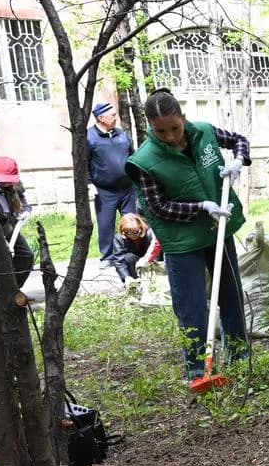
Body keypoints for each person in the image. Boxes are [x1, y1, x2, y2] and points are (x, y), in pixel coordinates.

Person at [125, 88, 250, 382]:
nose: (169, 136)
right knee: (190, 306)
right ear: (150, 127)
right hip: (181, 242)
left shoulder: (204, 133)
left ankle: (239, 356)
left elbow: (238, 140)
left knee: (231, 296)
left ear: (183, 117)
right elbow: (158, 207)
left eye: (174, 128)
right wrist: (201, 207)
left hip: (218, 229)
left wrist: (238, 161)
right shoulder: (144, 160)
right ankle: (198, 369)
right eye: (161, 131)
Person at [87, 102, 138, 265]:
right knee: (106, 224)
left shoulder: (122, 134)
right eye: (112, 115)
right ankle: (108, 257)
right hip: (104, 190)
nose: (116, 118)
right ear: (101, 118)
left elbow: (133, 155)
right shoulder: (89, 138)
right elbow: (83, 163)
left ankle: (131, 253)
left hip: (128, 188)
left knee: (132, 221)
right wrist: (88, 183)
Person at [0, 156, 35, 289]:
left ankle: (12, 291)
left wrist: (26, 211)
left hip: (11, 228)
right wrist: (2, 242)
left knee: (26, 255)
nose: (7, 183)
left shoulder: (15, 184)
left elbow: (24, 202)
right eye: (4, 180)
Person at [110, 213, 162, 283]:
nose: (132, 235)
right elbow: (119, 261)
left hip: (149, 260)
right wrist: (126, 278)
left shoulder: (150, 233)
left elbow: (156, 255)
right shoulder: (119, 239)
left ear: (141, 227)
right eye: (128, 233)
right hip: (133, 263)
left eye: (135, 232)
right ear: (123, 231)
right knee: (129, 257)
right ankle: (135, 282)